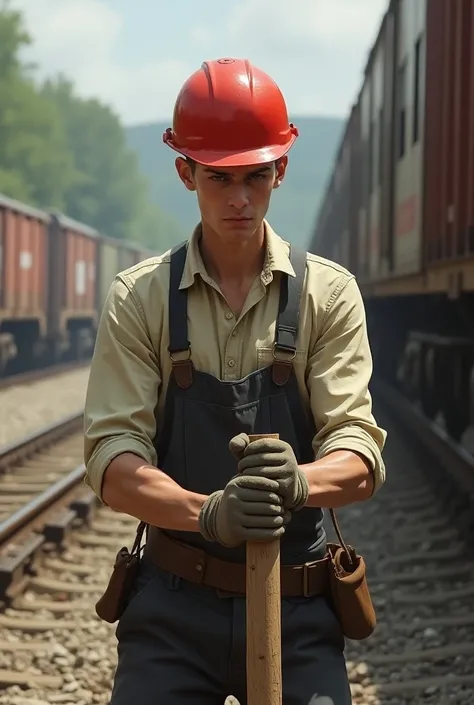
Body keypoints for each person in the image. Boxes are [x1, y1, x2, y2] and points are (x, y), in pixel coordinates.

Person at [83, 57, 386, 705]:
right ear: (185, 171)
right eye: (219, 178)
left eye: (256, 176)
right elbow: (113, 462)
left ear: (281, 168)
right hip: (170, 608)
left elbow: (359, 455)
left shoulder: (328, 295)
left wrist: (303, 480)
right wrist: (208, 513)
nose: (240, 198)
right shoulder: (140, 298)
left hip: (300, 604)